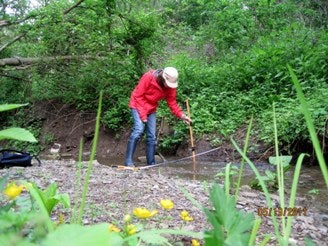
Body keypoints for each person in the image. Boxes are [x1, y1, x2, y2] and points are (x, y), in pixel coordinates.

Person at [125, 67, 192, 167]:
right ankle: (128, 162)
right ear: (163, 78)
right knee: (139, 130)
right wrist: (143, 116)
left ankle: (151, 163)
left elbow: (172, 103)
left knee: (151, 136)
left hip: (151, 108)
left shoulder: (170, 88)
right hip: (137, 104)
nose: (169, 86)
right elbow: (138, 96)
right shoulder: (148, 77)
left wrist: (182, 116)